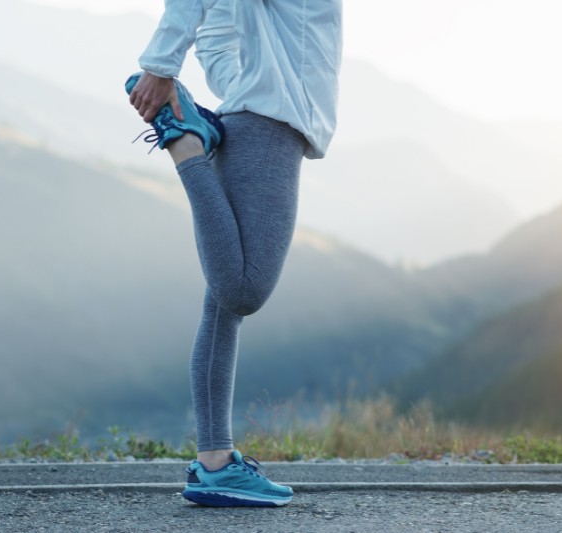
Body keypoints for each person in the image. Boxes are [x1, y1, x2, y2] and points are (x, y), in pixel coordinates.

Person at [126, 0, 343, 507]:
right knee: (242, 292)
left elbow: (223, 28)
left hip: (250, 118)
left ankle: (215, 464)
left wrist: (234, 89)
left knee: (223, 309)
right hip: (268, 129)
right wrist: (161, 67)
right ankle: (186, 147)